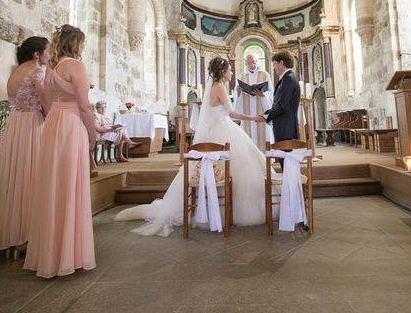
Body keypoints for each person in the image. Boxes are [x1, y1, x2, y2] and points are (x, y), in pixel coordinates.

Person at [114, 56, 267, 236]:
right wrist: (254, 118)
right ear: (223, 72)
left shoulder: (215, 87)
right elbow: (231, 113)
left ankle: (214, 211)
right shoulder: (219, 88)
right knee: (242, 168)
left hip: (215, 132)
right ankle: (228, 211)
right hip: (225, 131)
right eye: (230, 70)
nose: (232, 73)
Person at [23, 25, 96, 278]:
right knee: (70, 185)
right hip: (71, 124)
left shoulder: (51, 69)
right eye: (82, 44)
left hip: (54, 123)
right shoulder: (75, 66)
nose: (83, 48)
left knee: (54, 185)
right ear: (76, 44)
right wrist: (93, 134)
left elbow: (49, 103)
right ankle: (69, 253)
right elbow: (85, 106)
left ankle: (52, 253)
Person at [0, 36, 49, 258]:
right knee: (32, 177)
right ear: (37, 54)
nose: (49, 54)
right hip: (31, 125)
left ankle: (12, 235)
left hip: (15, 126)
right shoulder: (36, 72)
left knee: (16, 177)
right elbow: (46, 104)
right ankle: (28, 235)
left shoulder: (15, 73)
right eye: (47, 51)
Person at [264, 51, 301, 168]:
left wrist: (266, 115)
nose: (274, 67)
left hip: (285, 129)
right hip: (285, 128)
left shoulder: (288, 79)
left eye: (275, 64)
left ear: (281, 63)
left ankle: (290, 186)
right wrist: (267, 113)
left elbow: (282, 105)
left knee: (287, 164)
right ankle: (289, 186)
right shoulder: (288, 78)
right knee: (286, 164)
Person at [233, 53, 274, 150]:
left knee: (263, 139)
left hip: (261, 113)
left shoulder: (265, 74)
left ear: (257, 62)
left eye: (253, 62)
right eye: (249, 63)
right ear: (245, 64)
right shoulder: (241, 77)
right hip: (247, 114)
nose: (252, 65)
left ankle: (265, 162)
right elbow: (237, 98)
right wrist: (238, 92)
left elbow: (271, 93)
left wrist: (263, 95)